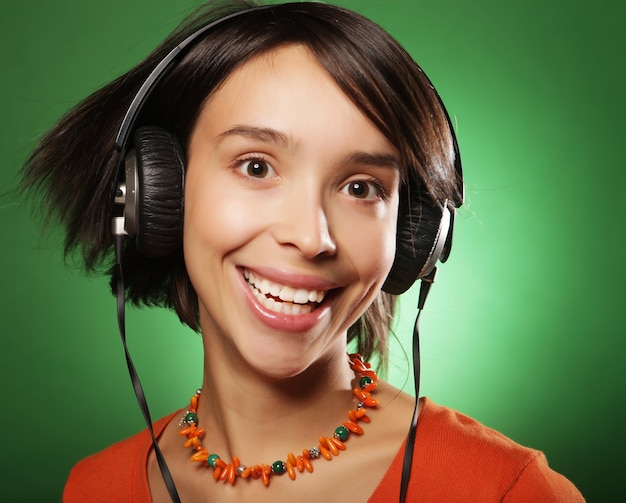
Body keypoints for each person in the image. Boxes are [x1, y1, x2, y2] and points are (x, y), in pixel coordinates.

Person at [21, 1, 585, 501]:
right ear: (157, 189)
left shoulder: (506, 490)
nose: (312, 238)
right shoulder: (94, 488)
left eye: (362, 187)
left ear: (418, 234)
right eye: (256, 166)